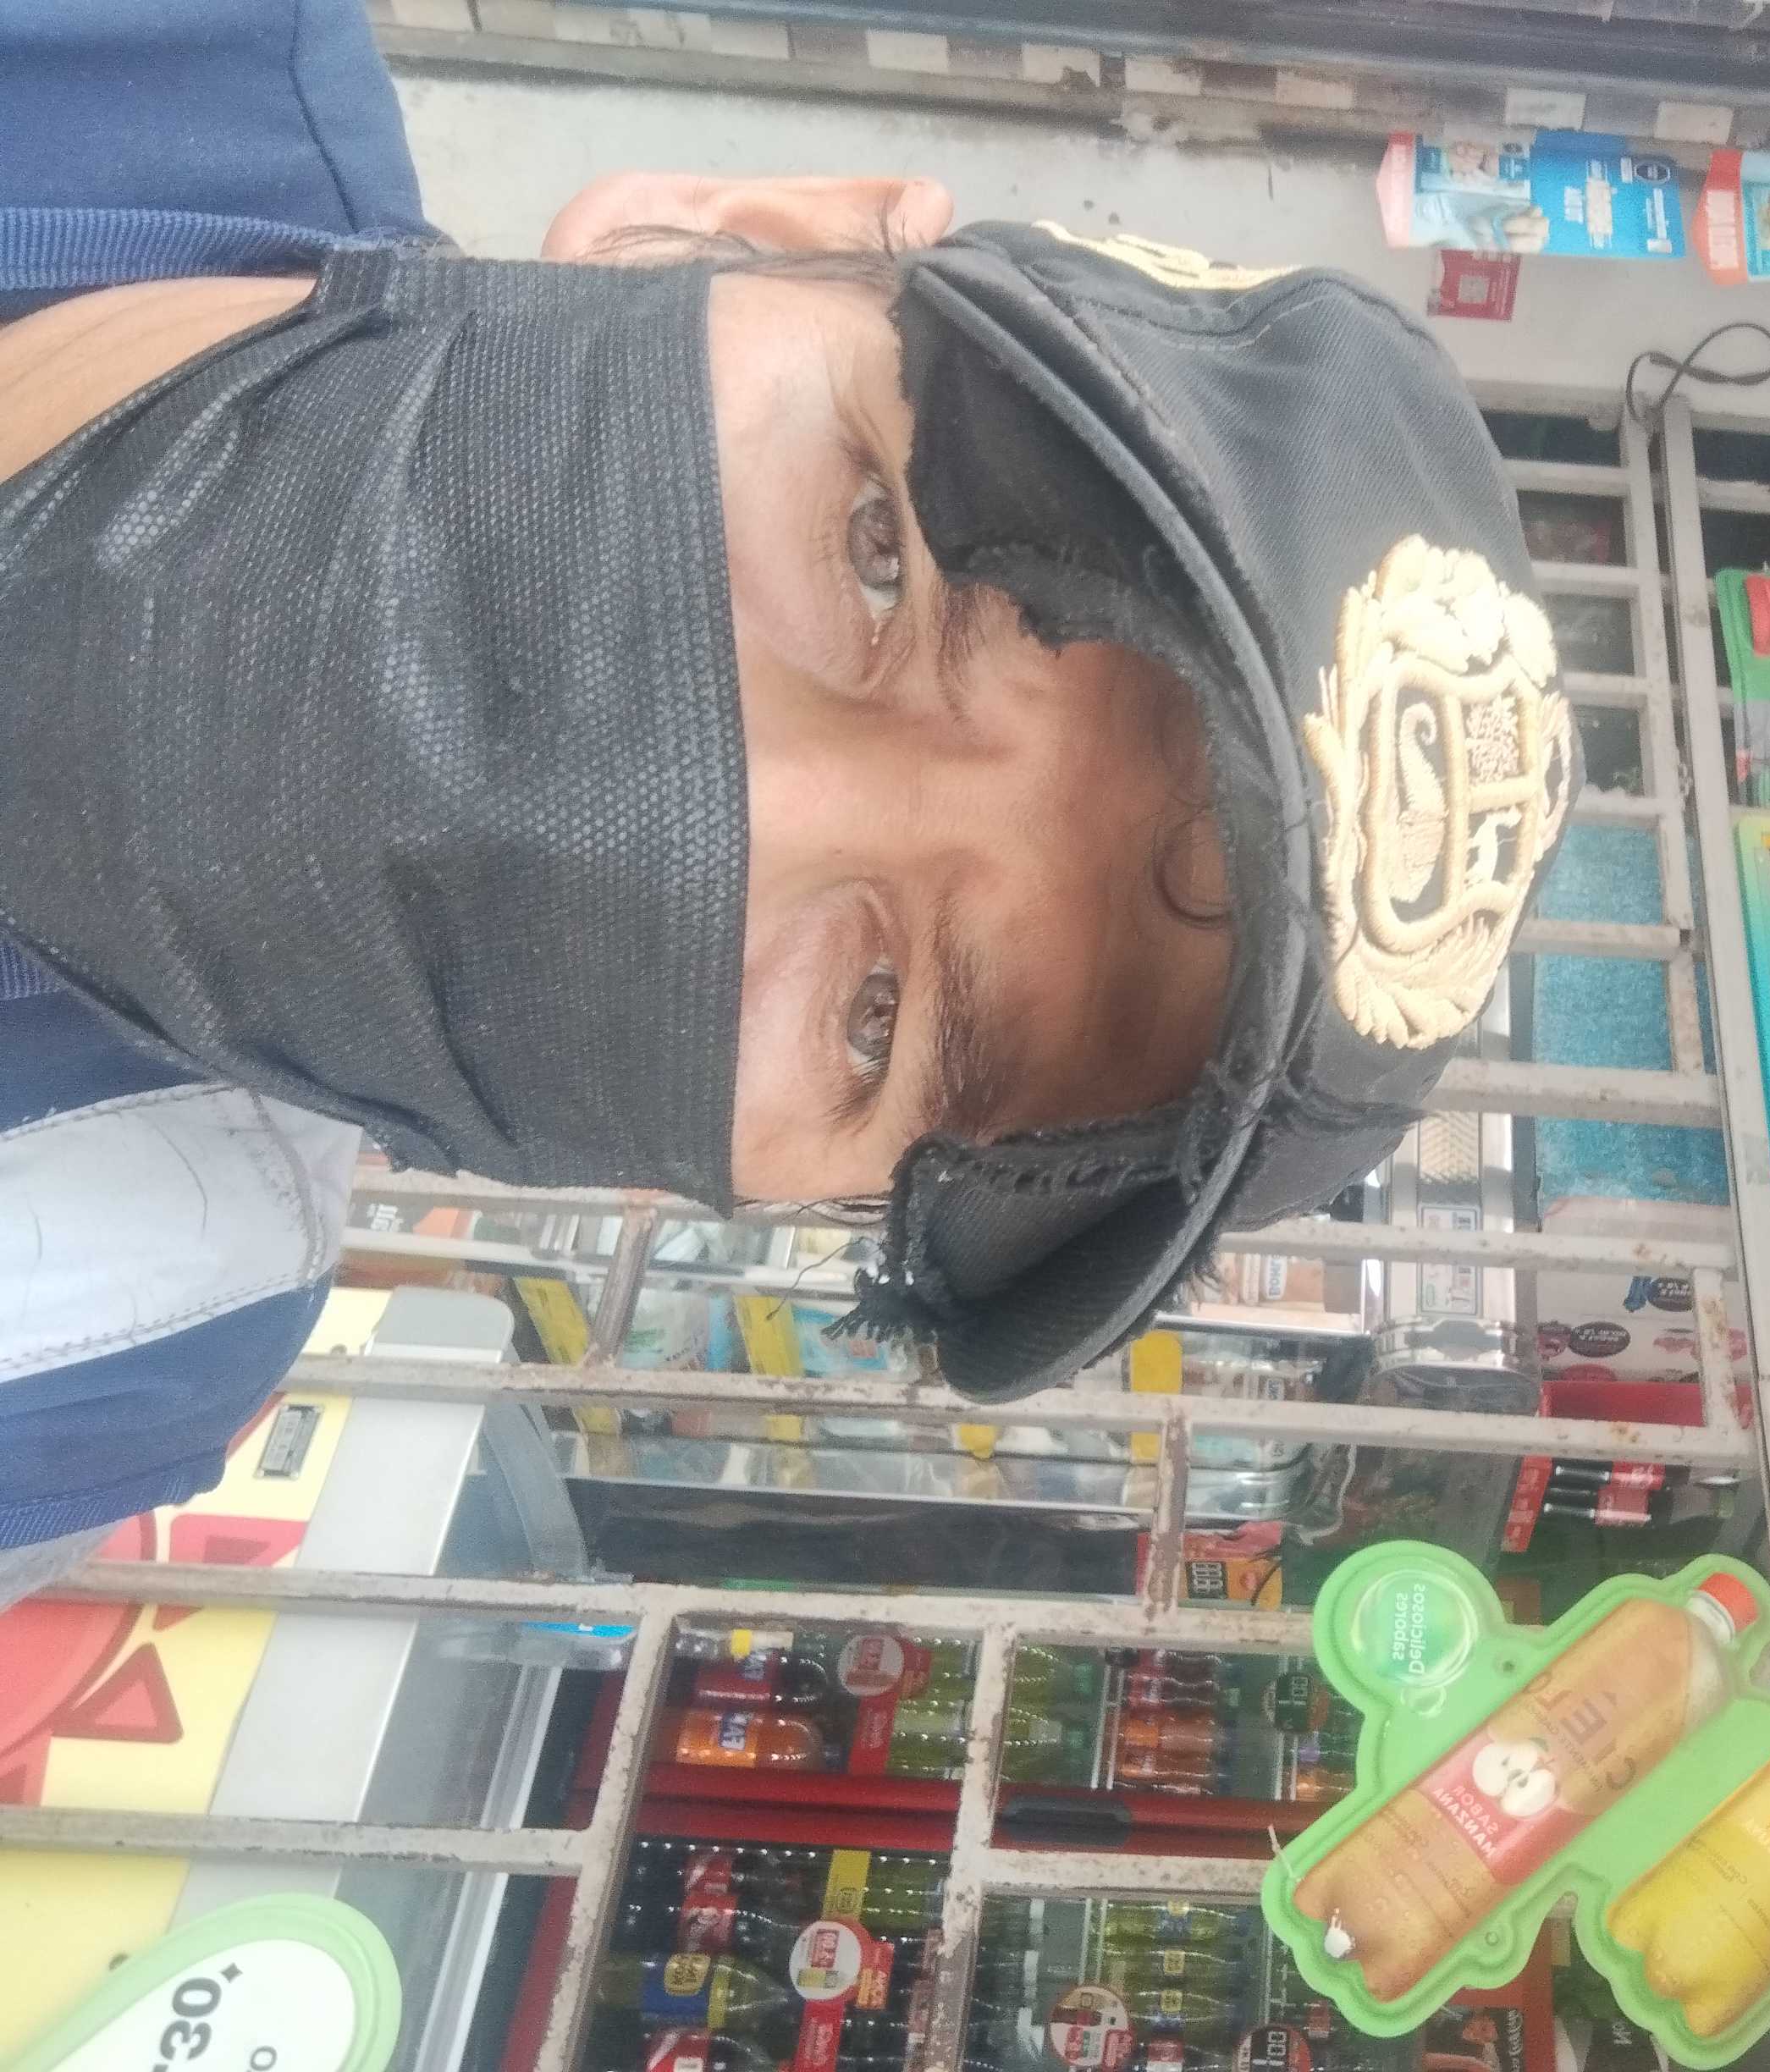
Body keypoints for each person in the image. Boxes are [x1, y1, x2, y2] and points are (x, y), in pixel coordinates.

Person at [0, 1, 1577, 1598]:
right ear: (732, 228)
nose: (740, 808)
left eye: (880, 1020)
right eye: (878, 549)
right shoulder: (117, 36)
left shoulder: (110, 1351)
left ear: (674, 1182)